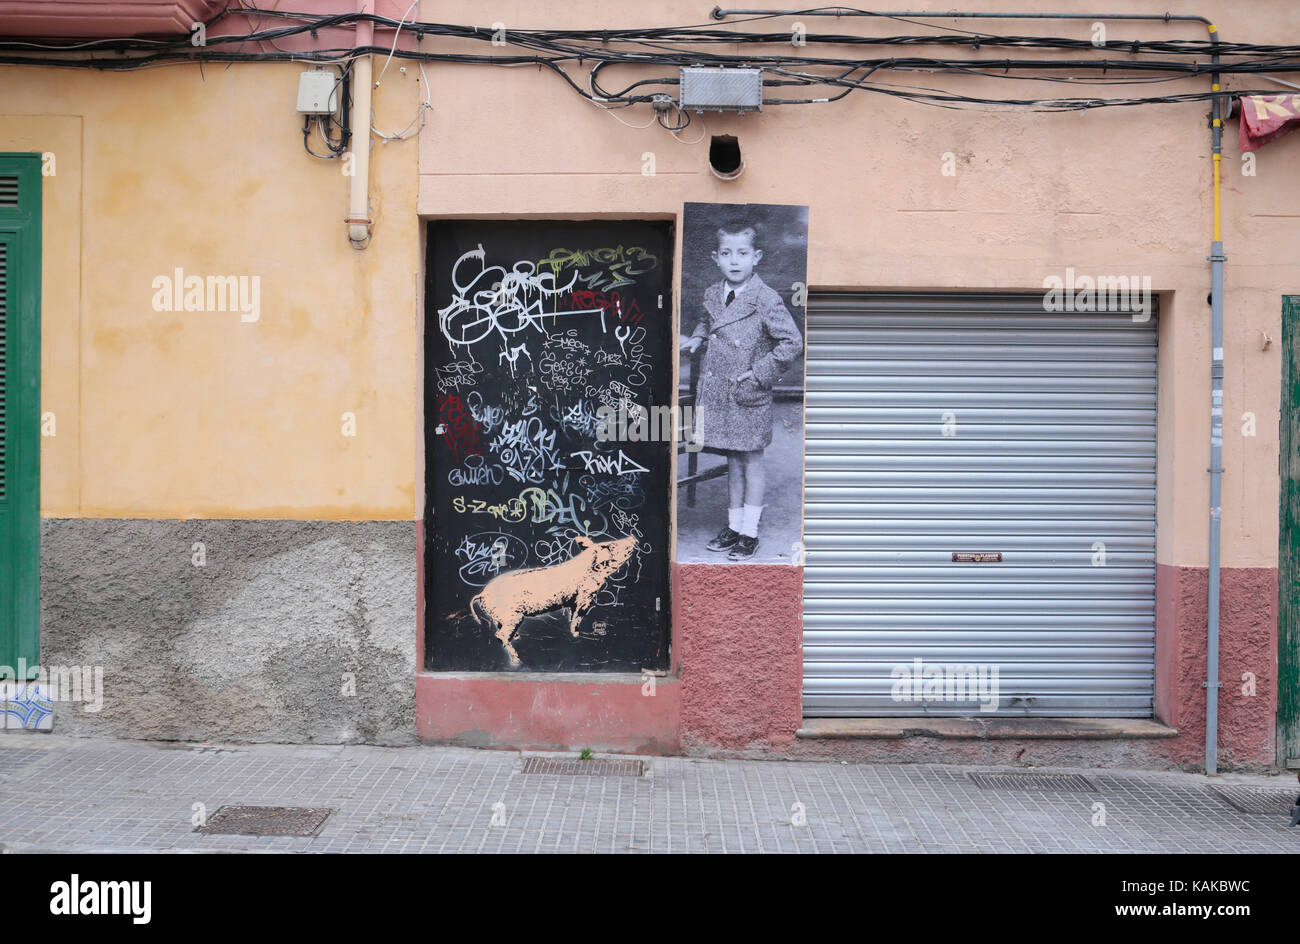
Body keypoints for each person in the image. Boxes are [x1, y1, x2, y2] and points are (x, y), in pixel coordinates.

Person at [680, 222, 803, 560]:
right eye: (727, 253)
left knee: (752, 461)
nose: (735, 261)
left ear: (756, 257)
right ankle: (734, 527)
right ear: (716, 258)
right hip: (721, 395)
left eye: (743, 253)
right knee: (734, 461)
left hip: (748, 393)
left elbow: (792, 342)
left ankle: (749, 532)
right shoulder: (711, 293)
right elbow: (709, 321)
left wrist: (758, 372)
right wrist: (698, 337)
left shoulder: (766, 299)